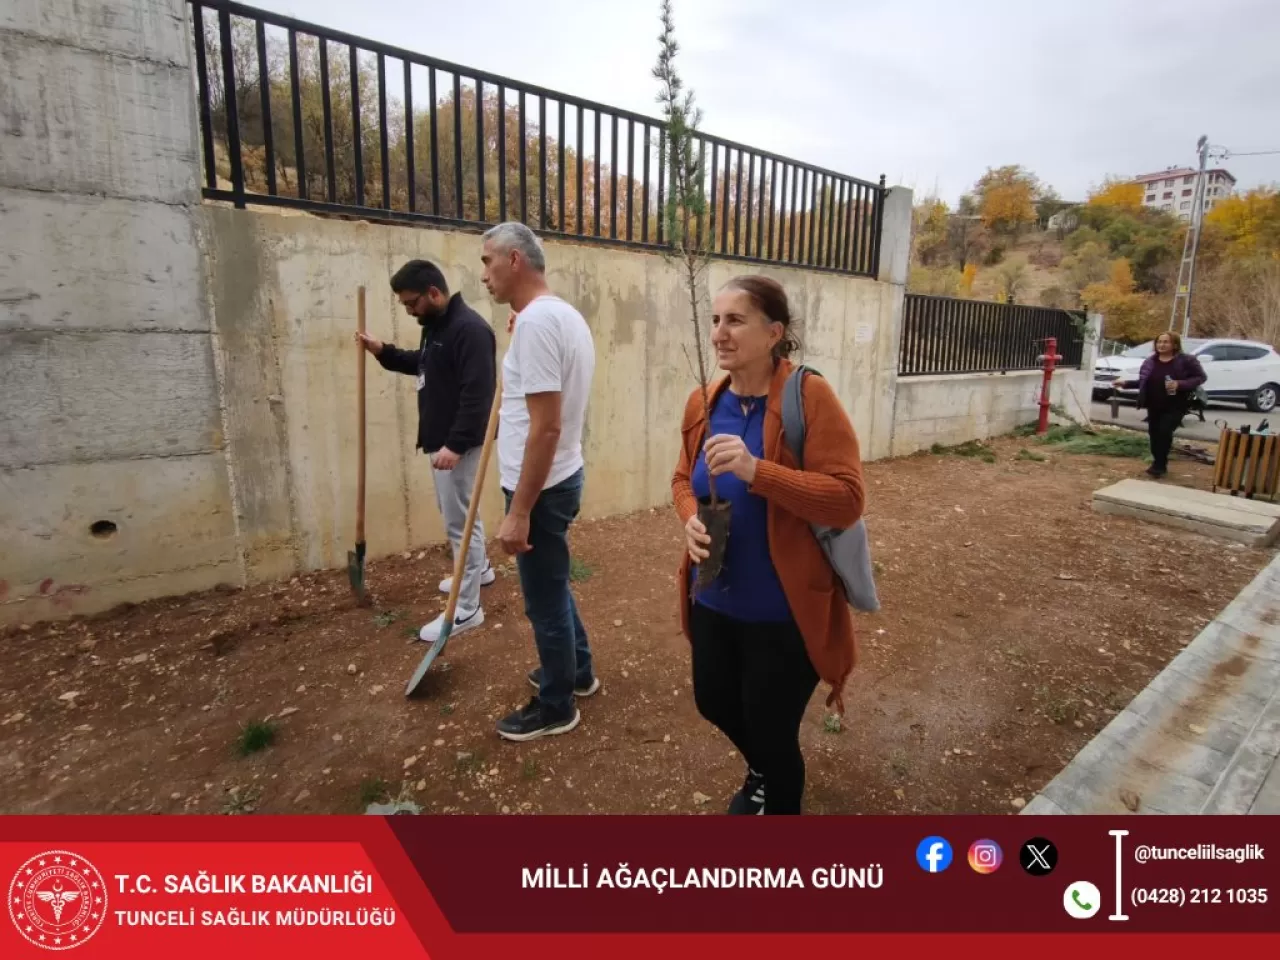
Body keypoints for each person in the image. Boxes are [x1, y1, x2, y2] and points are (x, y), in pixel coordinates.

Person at [671, 275, 865, 815]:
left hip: (784, 611)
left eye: (734, 320)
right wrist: (689, 517)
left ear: (774, 332)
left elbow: (847, 499)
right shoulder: (703, 402)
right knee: (713, 700)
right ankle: (761, 768)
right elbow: (682, 479)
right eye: (715, 320)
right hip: (714, 596)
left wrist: (759, 472)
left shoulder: (809, 397)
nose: (719, 333)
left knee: (772, 730)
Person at [479, 222, 598, 742]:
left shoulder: (537, 324)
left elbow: (546, 427)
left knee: (543, 601)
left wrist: (519, 510)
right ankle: (578, 671)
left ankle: (556, 705)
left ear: (514, 260)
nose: (483, 274)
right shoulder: (558, 316)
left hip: (541, 488)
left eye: (487, 261)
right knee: (553, 584)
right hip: (558, 476)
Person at [355, 259, 497, 642]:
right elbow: (425, 365)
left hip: (457, 444)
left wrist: (454, 444)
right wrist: (383, 351)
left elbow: (479, 396)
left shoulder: (469, 331)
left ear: (433, 293)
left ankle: (467, 608)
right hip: (442, 441)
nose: (409, 310)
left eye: (411, 303)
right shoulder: (437, 327)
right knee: (461, 513)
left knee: (459, 523)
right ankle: (480, 571)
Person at [1112, 330, 1206, 478]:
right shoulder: (1150, 362)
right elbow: (1143, 382)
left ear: (1175, 344)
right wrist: (1126, 383)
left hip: (1176, 404)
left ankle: (1160, 465)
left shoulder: (1186, 360)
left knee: (1164, 432)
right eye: (1159, 342)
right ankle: (1158, 461)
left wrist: (1179, 384)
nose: (1161, 345)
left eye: (1166, 342)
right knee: (1154, 434)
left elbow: (1200, 377)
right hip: (1154, 404)